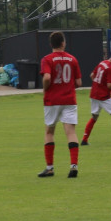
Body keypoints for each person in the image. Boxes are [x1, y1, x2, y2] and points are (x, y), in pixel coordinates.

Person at [39, 31, 83, 178]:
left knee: (50, 132)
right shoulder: (73, 59)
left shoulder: (47, 59)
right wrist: (68, 88)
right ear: (63, 43)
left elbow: (47, 77)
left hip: (52, 100)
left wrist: (45, 89)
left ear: (51, 44)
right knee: (70, 132)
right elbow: (78, 83)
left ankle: (50, 168)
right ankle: (74, 165)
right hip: (69, 100)